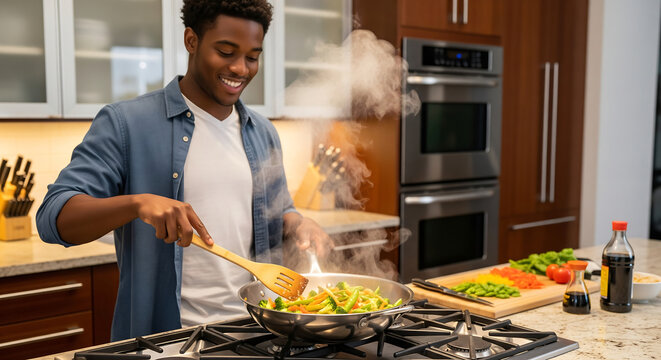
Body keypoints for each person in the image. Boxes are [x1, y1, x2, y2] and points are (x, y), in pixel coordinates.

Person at [36, 0, 331, 341]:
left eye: (252, 57)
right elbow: (52, 217)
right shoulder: (127, 123)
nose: (240, 68)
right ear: (192, 41)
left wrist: (298, 222)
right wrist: (137, 203)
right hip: (172, 342)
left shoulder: (262, 132)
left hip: (258, 334)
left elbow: (278, 211)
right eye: (225, 51)